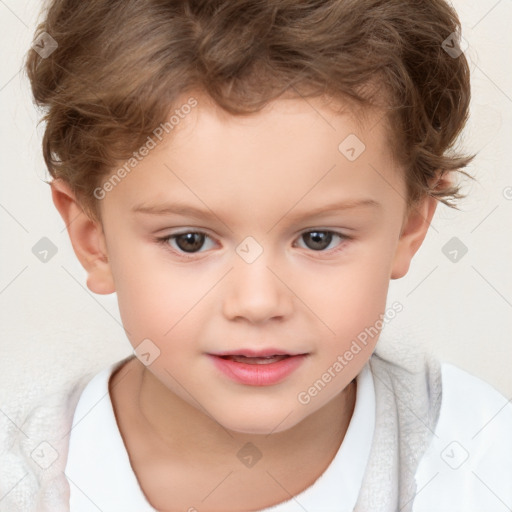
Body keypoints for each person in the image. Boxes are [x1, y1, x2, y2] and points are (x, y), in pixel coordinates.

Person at [1, 0, 510, 511]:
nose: (259, 302)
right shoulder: (22, 477)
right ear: (93, 238)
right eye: (190, 241)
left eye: (318, 238)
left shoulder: (482, 464)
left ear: (409, 225)